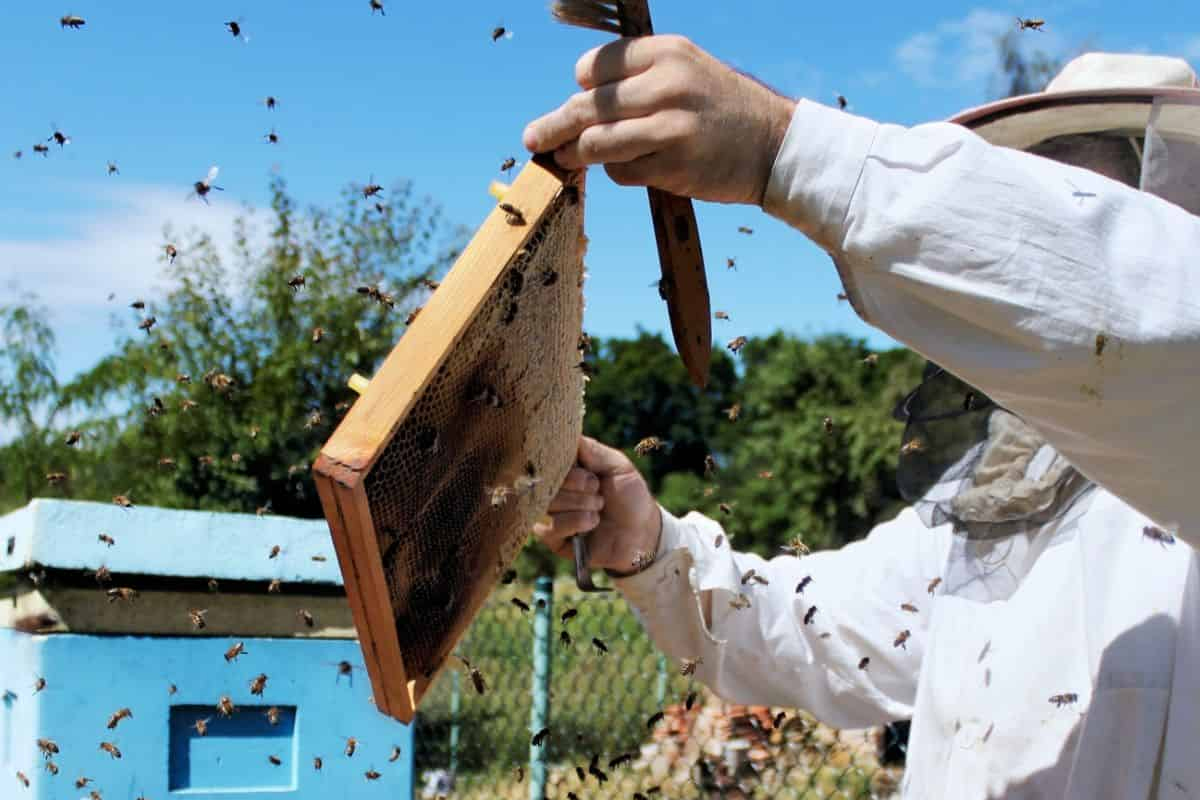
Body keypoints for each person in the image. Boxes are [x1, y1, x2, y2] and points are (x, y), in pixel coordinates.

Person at [527, 40, 1200, 800]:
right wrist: (649, 545)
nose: (1053, 234)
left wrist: (783, 149)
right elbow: (820, 633)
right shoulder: (996, 491)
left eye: (1101, 199)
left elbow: (1148, 324)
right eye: (1050, 189)